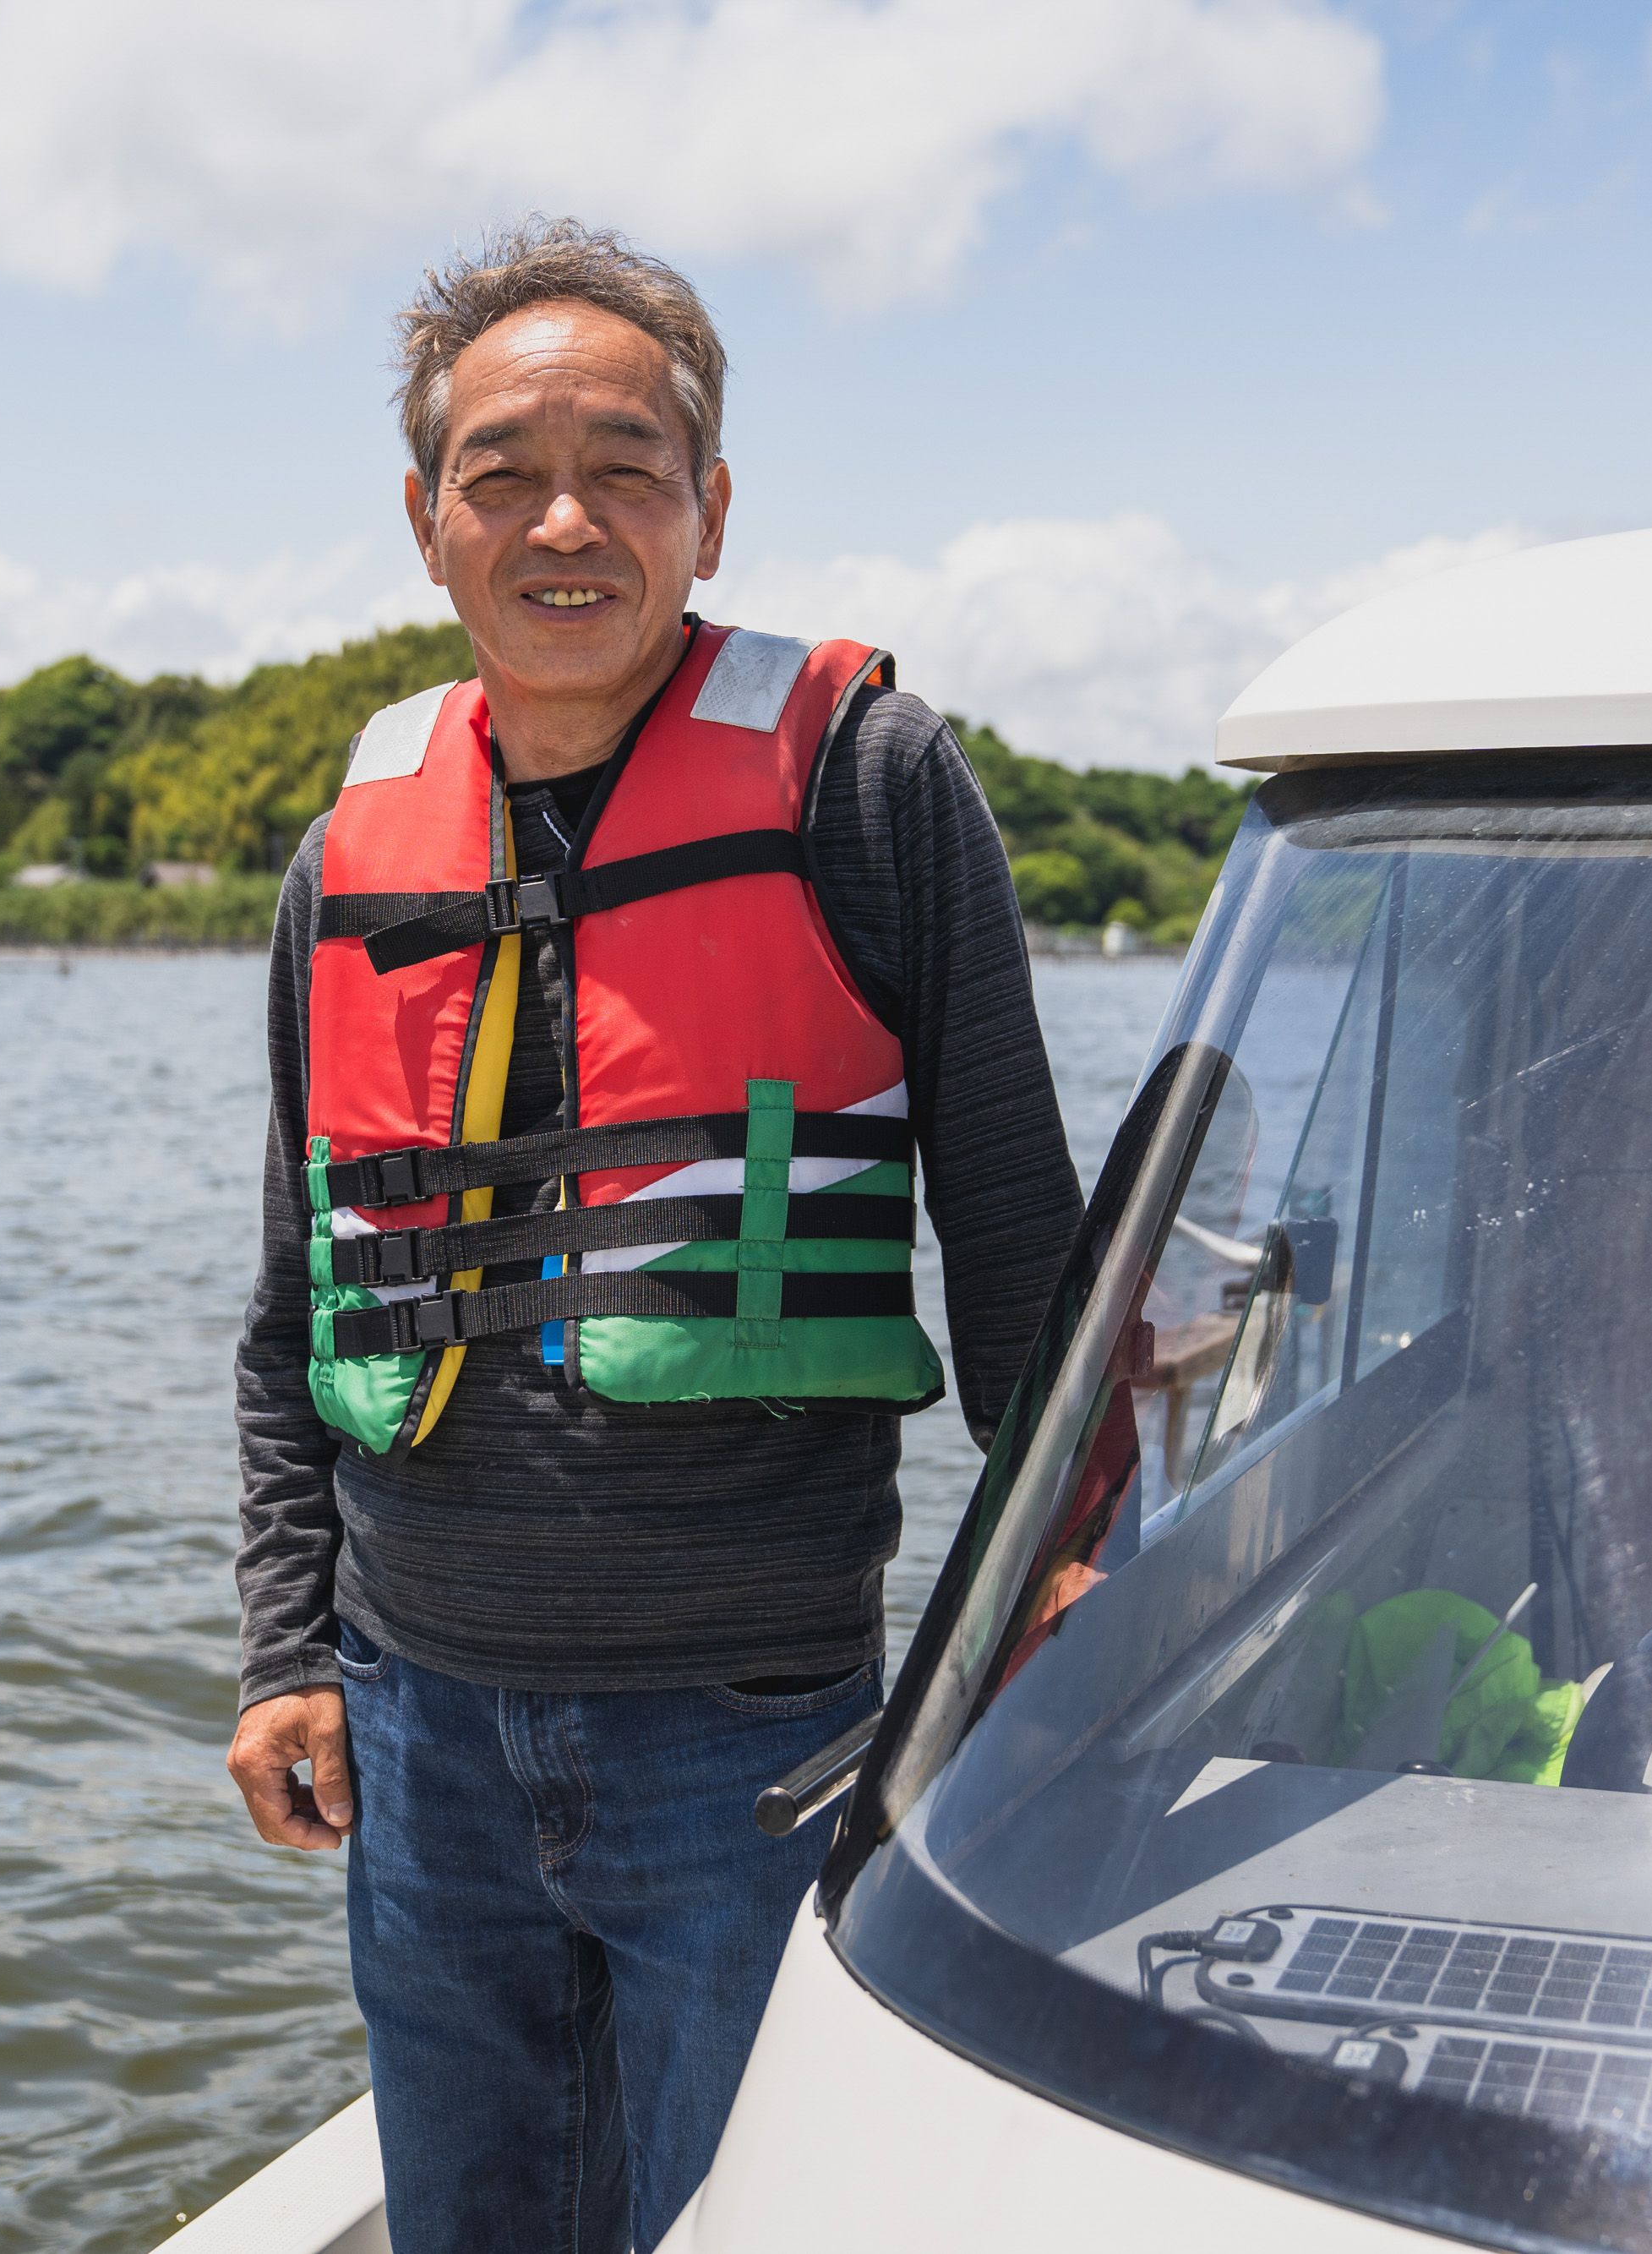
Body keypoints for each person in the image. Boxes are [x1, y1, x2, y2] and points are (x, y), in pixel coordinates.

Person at [225, 217, 1082, 2254]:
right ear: (426, 522)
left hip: (757, 1732)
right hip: (414, 1727)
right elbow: (293, 1302)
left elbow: (1026, 1250)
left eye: (625, 467)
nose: (562, 520)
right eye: (499, 472)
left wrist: (1064, 1605)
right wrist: (282, 1642)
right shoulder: (349, 850)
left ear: (708, 512)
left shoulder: (871, 784)